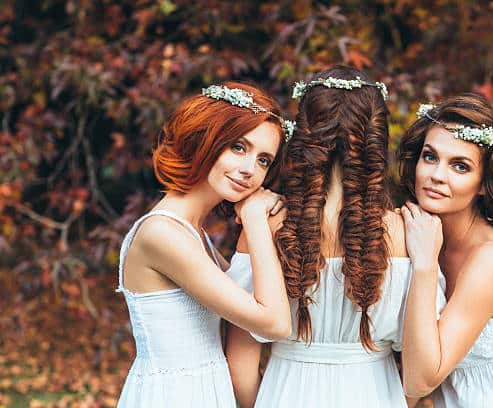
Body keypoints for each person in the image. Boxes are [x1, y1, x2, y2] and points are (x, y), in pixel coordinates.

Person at [224, 66, 446, 408]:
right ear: (376, 143)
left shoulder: (264, 227)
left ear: (304, 140)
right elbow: (419, 372)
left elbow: (240, 368)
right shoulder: (409, 233)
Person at [116, 82, 293, 407]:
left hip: (207, 389)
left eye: (264, 160)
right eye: (238, 147)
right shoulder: (162, 235)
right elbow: (274, 322)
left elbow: (246, 298)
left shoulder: (194, 232)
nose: (249, 170)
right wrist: (255, 222)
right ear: (205, 139)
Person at [398, 94, 493, 407]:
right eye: (430, 157)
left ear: (484, 183)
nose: (437, 175)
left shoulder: (492, 259)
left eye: (460, 166)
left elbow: (419, 380)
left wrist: (425, 265)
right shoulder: (416, 234)